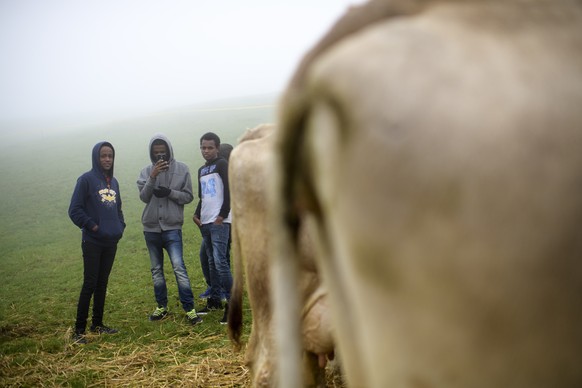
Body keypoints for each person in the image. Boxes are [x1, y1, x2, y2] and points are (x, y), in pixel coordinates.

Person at [137, 133, 202, 326]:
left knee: (179, 267)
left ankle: (189, 309)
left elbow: (188, 196)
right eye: (156, 153)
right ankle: (162, 307)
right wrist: (152, 177)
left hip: (172, 228)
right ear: (151, 153)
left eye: (163, 152)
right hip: (151, 229)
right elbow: (144, 197)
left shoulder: (182, 169)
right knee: (156, 270)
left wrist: (170, 193)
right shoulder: (145, 171)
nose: (160, 157)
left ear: (169, 151)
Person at [68, 141, 125, 344]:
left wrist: (120, 226)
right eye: (103, 156)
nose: (107, 159)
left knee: (102, 283)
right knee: (90, 283)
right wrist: (93, 227)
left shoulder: (114, 182)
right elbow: (74, 210)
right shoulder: (86, 180)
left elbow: (118, 208)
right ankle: (79, 330)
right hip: (92, 241)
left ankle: (98, 324)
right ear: (96, 157)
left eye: (110, 155)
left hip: (111, 241)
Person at [193, 133, 232, 324]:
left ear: (217, 148)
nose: (206, 151)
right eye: (203, 147)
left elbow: (229, 190)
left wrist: (222, 216)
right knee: (211, 262)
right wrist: (196, 214)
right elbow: (203, 196)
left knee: (220, 262)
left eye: (209, 147)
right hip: (205, 221)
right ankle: (214, 301)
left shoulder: (222, 164)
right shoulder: (201, 170)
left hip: (219, 221)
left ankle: (233, 304)